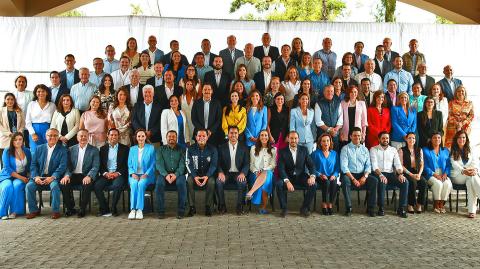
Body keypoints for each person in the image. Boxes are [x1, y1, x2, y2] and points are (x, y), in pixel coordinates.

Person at [25, 128, 67, 219]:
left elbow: (62, 166)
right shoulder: (39, 148)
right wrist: (36, 177)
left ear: (58, 137)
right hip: (39, 176)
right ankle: (34, 210)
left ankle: (55, 211)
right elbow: (33, 165)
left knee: (55, 187)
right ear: (46, 136)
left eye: (55, 135)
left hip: (53, 177)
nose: (52, 137)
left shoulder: (63, 150)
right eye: (50, 135)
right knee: (29, 186)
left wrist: (52, 177)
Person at [60, 129, 99, 218]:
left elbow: (95, 166)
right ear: (77, 138)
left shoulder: (94, 150)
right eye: (81, 136)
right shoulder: (71, 149)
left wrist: (89, 176)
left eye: (85, 136)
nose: (83, 138)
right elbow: (68, 166)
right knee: (63, 184)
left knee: (87, 184)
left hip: (85, 175)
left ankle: (82, 209)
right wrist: (66, 175)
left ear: (88, 137)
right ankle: (70, 208)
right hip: (73, 175)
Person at [276, 131, 317, 217]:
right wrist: (287, 181)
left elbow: (311, 165)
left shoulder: (304, 150)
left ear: (298, 139)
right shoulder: (282, 151)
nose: (293, 140)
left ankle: (304, 208)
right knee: (279, 184)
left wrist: (312, 176)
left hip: (300, 176)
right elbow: (281, 169)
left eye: (295, 138)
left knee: (313, 184)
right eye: (291, 138)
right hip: (287, 176)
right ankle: (284, 208)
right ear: (288, 139)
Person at [340, 127, 378, 217]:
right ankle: (348, 207)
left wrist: (365, 176)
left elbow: (368, 165)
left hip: (362, 175)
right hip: (349, 175)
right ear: (350, 136)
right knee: (345, 180)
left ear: (361, 137)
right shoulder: (345, 149)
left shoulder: (365, 149)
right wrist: (353, 179)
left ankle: (371, 208)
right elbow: (344, 167)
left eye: (359, 136)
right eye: (355, 135)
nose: (357, 137)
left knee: (374, 181)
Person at [370, 131, 409, 218]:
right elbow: (374, 165)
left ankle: (401, 208)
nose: (385, 140)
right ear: (379, 139)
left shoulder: (393, 150)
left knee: (405, 182)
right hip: (378, 173)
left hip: (391, 174)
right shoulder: (373, 149)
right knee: (382, 182)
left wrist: (400, 174)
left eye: (387, 138)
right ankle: (381, 207)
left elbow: (398, 164)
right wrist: (381, 175)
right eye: (383, 138)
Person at [94, 128, 129, 217]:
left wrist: (117, 173)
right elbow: (100, 165)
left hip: (118, 174)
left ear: (118, 136)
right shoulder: (102, 149)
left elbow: (126, 165)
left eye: (115, 135)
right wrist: (106, 173)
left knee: (117, 185)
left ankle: (113, 208)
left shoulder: (125, 149)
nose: (113, 137)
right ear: (108, 136)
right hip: (106, 174)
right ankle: (104, 208)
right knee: (97, 186)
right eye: (111, 135)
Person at [216, 126, 249, 215]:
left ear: (238, 135)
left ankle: (240, 206)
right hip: (226, 173)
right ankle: (222, 205)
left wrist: (243, 173)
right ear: (228, 134)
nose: (233, 135)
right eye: (231, 133)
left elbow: (246, 163)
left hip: (238, 173)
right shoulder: (221, 147)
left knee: (242, 182)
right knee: (219, 182)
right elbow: (218, 163)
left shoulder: (244, 147)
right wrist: (220, 172)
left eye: (235, 133)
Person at [155, 130, 187, 219]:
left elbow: (183, 164)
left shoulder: (182, 149)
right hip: (164, 174)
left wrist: (176, 175)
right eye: (169, 136)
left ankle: (181, 211)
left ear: (176, 138)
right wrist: (166, 175)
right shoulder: (160, 149)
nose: (171, 138)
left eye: (173, 136)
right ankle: (160, 211)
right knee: (159, 184)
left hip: (178, 174)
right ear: (166, 138)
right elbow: (159, 164)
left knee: (181, 183)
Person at [186, 129, 217, 217]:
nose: (201, 138)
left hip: (208, 175)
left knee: (212, 182)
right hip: (194, 175)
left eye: (204, 136)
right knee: (189, 181)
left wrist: (207, 176)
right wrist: (195, 176)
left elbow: (214, 165)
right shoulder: (190, 149)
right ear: (196, 137)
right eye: (199, 136)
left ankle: (208, 206)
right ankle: (192, 207)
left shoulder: (213, 149)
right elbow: (188, 164)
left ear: (207, 137)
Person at [0, 133, 31, 219]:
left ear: (23, 140)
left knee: (17, 186)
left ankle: (15, 212)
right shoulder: (7, 151)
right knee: (7, 187)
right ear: (12, 141)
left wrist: (29, 176)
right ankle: (2, 213)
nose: (18, 141)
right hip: (7, 175)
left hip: (21, 176)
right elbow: (7, 168)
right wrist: (22, 178)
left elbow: (30, 166)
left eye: (20, 139)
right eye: (15, 139)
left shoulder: (27, 151)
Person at [450, 131, 480, 218]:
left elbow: (476, 162)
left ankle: (472, 211)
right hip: (457, 176)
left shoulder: (470, 149)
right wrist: (464, 171)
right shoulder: (452, 149)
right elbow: (454, 164)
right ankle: (472, 209)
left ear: (466, 139)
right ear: (456, 139)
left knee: (471, 180)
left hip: (469, 175)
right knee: (472, 178)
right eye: (459, 137)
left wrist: (474, 170)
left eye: (463, 137)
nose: (461, 139)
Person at [127, 129, 156, 220]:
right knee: (134, 184)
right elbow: (129, 164)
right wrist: (132, 174)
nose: (141, 138)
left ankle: (139, 209)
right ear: (136, 137)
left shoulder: (151, 148)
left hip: (147, 175)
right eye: (139, 136)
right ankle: (133, 210)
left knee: (141, 184)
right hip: (134, 175)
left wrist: (146, 174)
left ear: (145, 137)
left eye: (143, 136)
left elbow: (153, 163)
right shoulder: (132, 149)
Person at [246, 130, 276, 214]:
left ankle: (251, 192)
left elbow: (273, 165)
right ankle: (263, 207)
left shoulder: (273, 149)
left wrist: (263, 170)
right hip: (255, 174)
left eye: (266, 135)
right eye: (262, 135)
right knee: (265, 179)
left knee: (267, 174)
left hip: (268, 172)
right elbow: (251, 164)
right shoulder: (253, 148)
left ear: (268, 137)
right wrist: (256, 171)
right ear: (259, 137)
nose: (264, 137)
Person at [422, 132, 452, 213]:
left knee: (448, 184)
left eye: (439, 137)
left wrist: (445, 173)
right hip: (430, 174)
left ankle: (441, 204)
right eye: (434, 137)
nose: (437, 139)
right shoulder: (425, 150)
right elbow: (424, 166)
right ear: (431, 140)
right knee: (438, 184)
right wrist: (435, 174)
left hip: (443, 174)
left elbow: (449, 165)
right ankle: (435, 204)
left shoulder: (445, 150)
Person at [311, 133, 339, 215]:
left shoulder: (334, 154)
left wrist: (334, 175)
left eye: (327, 141)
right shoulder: (315, 154)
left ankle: (330, 204)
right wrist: (319, 174)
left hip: (332, 176)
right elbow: (311, 167)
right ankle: (324, 204)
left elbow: (338, 167)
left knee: (334, 183)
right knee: (326, 182)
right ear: (320, 143)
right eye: (323, 141)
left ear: (330, 142)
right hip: (320, 176)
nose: (326, 143)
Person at [399, 132, 427, 214]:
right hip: (406, 172)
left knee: (424, 182)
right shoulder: (401, 150)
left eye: (413, 138)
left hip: (417, 172)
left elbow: (422, 164)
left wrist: (419, 174)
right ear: (406, 139)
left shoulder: (419, 150)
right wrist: (411, 175)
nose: (412, 140)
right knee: (412, 182)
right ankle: (410, 204)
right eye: (410, 138)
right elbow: (401, 166)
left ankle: (419, 204)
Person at [25, 84, 56, 154]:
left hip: (48, 129)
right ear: (35, 93)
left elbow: (54, 121)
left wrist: (52, 133)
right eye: (38, 91)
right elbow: (28, 121)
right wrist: (32, 134)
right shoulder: (31, 104)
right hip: (34, 129)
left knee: (47, 151)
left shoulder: (52, 105)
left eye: (43, 91)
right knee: (34, 152)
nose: (41, 93)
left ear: (47, 93)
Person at [315, 85, 343, 150]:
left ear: (333, 92)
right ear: (324, 92)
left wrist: (336, 129)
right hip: (323, 135)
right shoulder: (318, 103)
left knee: (335, 153)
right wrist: (329, 130)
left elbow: (340, 118)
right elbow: (318, 121)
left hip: (335, 134)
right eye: (327, 91)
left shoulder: (338, 102)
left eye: (331, 91)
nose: (330, 93)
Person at [0, 94, 25, 164]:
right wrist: (9, 134)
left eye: (12, 99)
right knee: (4, 162)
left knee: (16, 161)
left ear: (14, 101)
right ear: (5, 100)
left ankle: (16, 174)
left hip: (17, 139)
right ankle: (4, 175)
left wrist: (18, 134)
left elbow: (23, 123)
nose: (10, 101)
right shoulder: (1, 110)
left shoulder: (19, 110)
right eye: (8, 99)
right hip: (5, 138)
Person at [181, 79, 199, 144]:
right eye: (187, 84)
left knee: (194, 140)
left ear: (193, 86)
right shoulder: (181, 97)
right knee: (186, 140)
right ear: (185, 85)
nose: (189, 86)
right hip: (184, 121)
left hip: (194, 121)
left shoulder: (197, 97)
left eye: (191, 84)